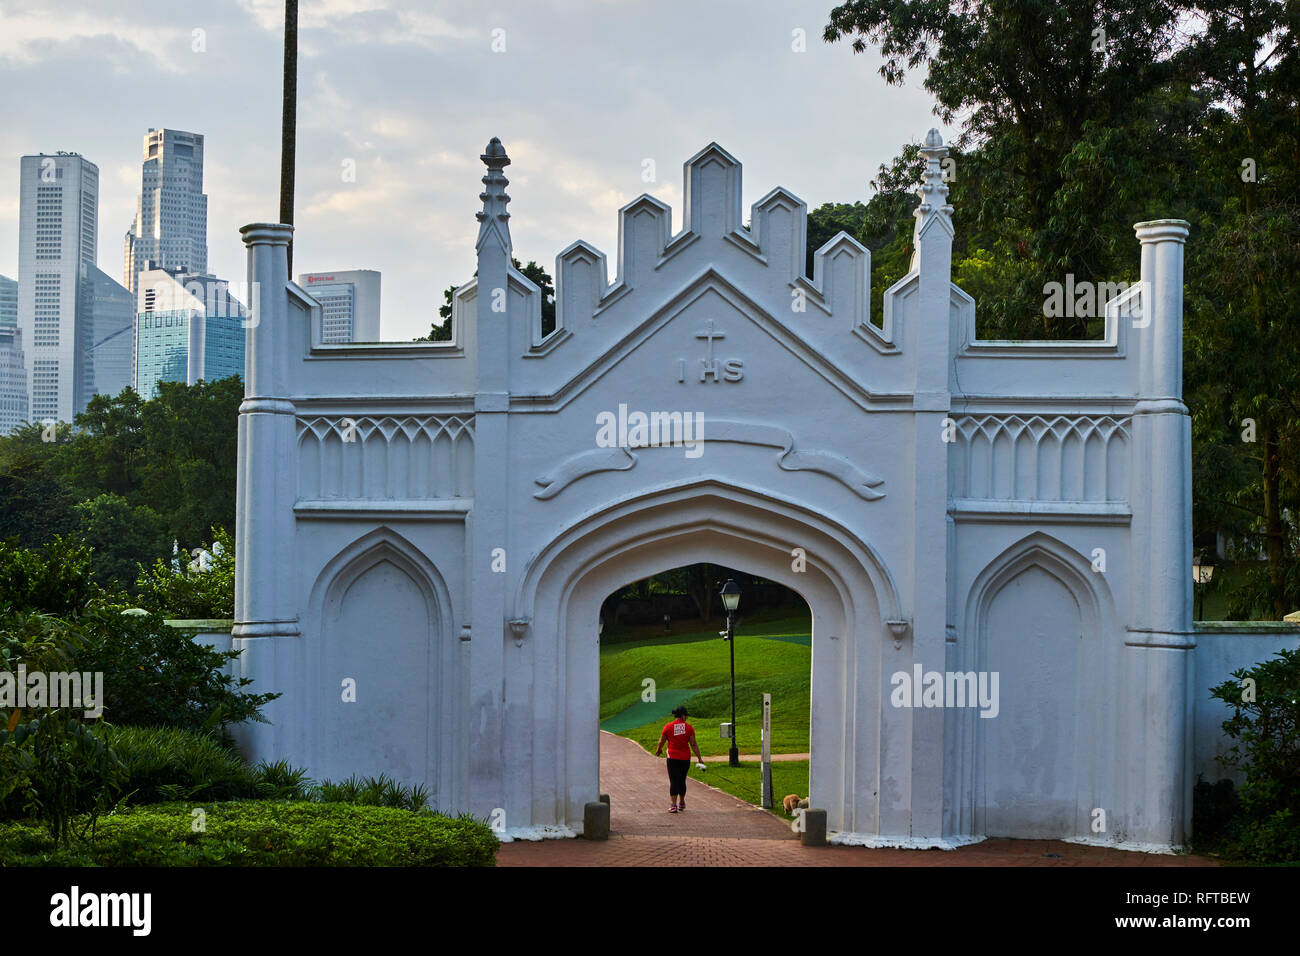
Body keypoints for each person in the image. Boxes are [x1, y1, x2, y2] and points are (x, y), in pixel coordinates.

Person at [655, 705, 703, 813]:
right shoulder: (689, 728)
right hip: (685, 758)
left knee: (674, 780)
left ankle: (673, 805)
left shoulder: (668, 727)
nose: (687, 718)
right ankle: (681, 802)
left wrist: (659, 750)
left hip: (672, 758)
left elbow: (661, 741)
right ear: (683, 716)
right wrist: (699, 758)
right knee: (682, 780)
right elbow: (693, 744)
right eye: (686, 716)